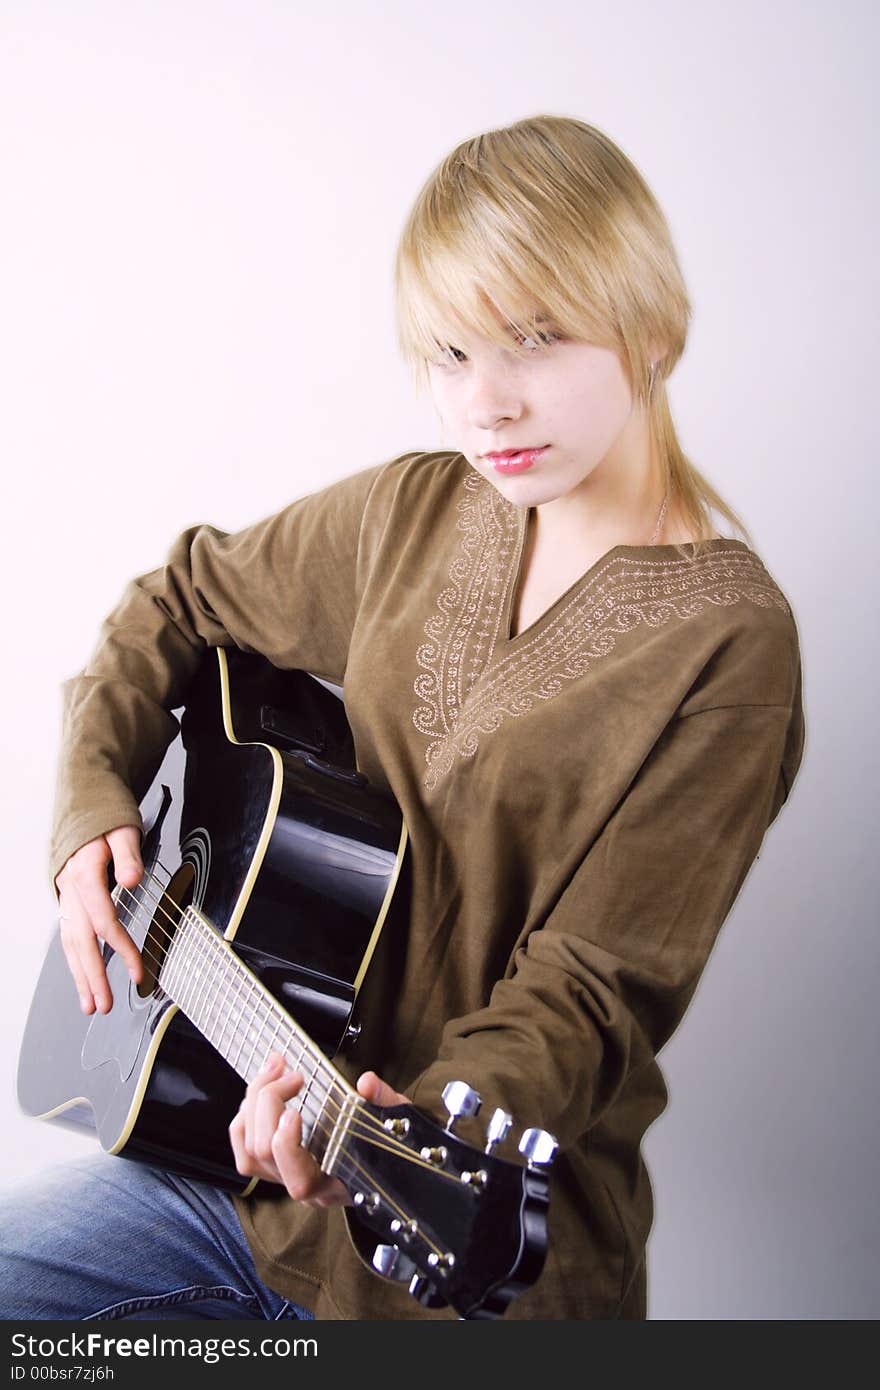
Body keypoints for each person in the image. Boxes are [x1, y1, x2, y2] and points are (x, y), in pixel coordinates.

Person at [2, 113, 805, 1321]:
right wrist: (91, 809)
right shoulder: (411, 512)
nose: (483, 404)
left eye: (532, 338)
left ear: (649, 325)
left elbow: (592, 990)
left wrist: (392, 1128)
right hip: (230, 1179)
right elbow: (173, 598)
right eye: (446, 353)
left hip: (450, 1236)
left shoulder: (729, 644)